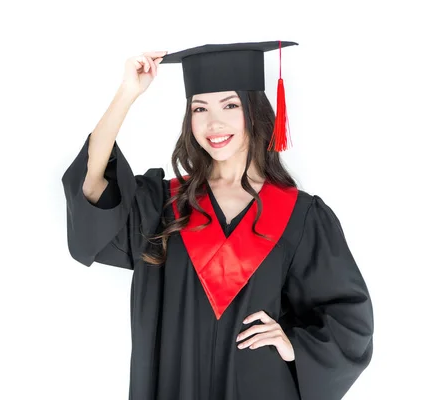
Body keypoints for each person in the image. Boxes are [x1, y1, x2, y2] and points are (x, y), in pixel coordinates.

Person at [61, 41, 374, 400]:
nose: (214, 122)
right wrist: (127, 93)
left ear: (254, 111)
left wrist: (294, 345)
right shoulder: (163, 205)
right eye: (200, 108)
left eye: (230, 104)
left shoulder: (300, 215)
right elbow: (92, 184)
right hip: (175, 385)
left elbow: (349, 319)